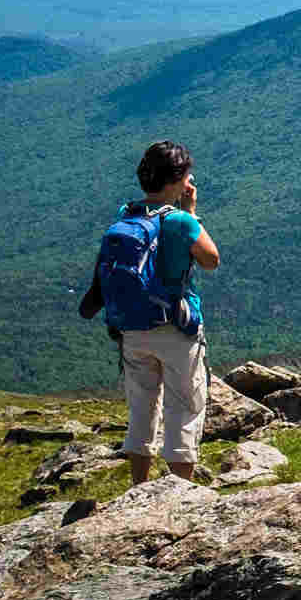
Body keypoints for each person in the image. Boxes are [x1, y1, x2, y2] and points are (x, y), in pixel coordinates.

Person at [113, 140, 220, 484]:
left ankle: (138, 489)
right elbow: (210, 260)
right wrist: (190, 210)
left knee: (142, 407)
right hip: (176, 328)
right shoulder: (179, 221)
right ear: (176, 181)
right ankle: (180, 493)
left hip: (132, 326)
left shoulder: (126, 213)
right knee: (183, 408)